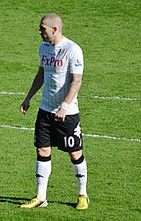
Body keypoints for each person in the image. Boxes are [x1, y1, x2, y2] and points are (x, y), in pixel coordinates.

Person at [20, 13, 89, 210]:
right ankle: (41, 197)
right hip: (45, 110)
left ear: (54, 29)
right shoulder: (44, 48)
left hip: (67, 113)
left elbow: (77, 81)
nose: (39, 31)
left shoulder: (72, 50)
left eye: (42, 28)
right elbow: (41, 73)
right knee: (42, 150)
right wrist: (29, 97)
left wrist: (65, 106)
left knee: (75, 153)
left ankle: (82, 194)